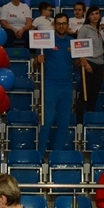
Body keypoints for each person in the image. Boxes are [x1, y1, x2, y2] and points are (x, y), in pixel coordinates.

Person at [36, 13, 73, 153]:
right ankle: (40, 155)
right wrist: (37, 60)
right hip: (50, 86)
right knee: (47, 122)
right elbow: (35, 64)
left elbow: (76, 63)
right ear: (54, 25)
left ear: (68, 25)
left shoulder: (72, 42)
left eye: (64, 23)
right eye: (58, 23)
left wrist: (82, 62)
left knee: (64, 124)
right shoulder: (46, 40)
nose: (61, 26)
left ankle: (58, 156)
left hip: (67, 86)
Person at [75, 6, 104, 123]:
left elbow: (102, 47)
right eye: (92, 14)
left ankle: (90, 120)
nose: (95, 16)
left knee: (94, 94)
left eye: (97, 13)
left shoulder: (101, 30)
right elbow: (78, 47)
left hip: (100, 63)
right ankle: (79, 121)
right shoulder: (84, 29)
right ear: (88, 16)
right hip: (88, 62)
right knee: (85, 94)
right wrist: (84, 62)